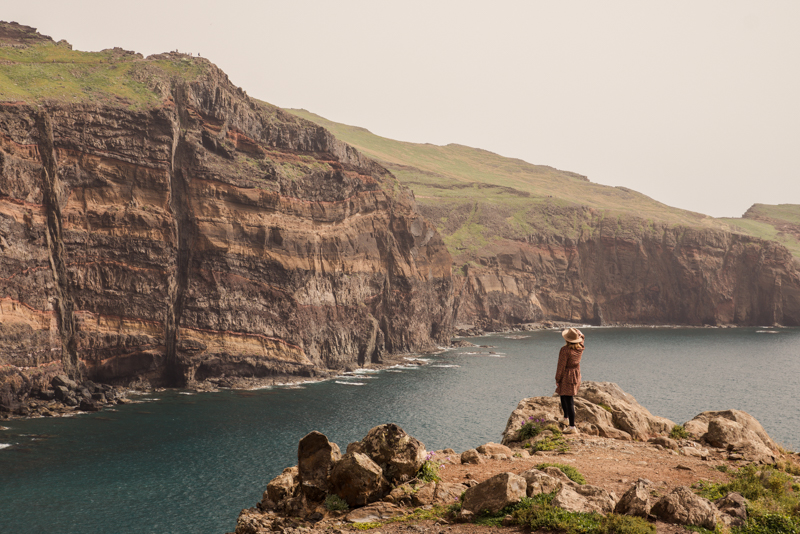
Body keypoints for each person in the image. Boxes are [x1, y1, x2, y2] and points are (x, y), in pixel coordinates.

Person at [556, 327, 584, 434]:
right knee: (563, 395)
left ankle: (572, 427)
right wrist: (579, 333)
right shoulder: (580, 347)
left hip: (567, 375)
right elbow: (582, 337)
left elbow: (561, 366)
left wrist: (557, 379)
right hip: (576, 374)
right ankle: (566, 418)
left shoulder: (565, 350)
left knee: (568, 400)